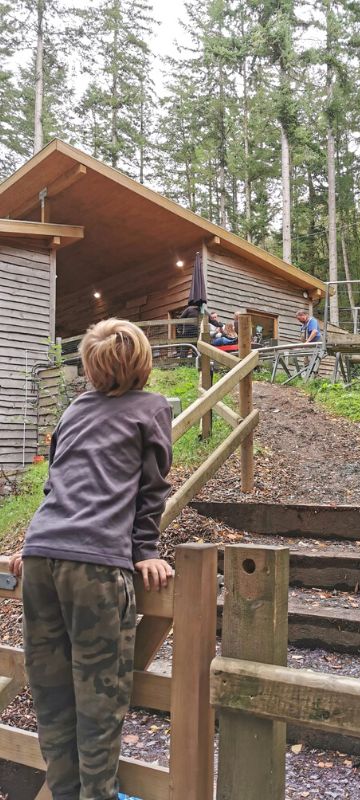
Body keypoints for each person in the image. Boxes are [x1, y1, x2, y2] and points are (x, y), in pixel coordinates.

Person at [9, 318, 173, 800]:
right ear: (143, 362)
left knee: (51, 696)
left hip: (41, 557)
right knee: (98, 705)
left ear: (89, 365)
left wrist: (31, 541)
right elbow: (151, 488)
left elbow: (56, 482)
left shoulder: (74, 409)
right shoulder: (152, 409)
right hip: (95, 566)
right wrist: (145, 551)